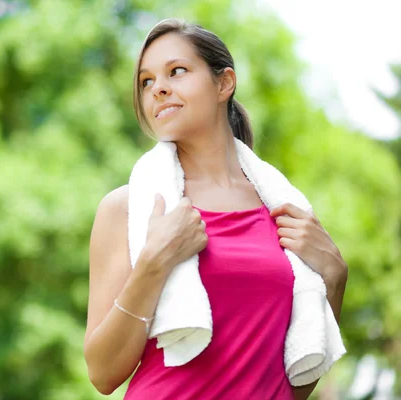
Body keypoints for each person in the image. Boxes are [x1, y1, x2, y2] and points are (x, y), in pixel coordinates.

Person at [83, 18, 348, 400]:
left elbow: (292, 383)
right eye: (146, 81)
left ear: (224, 83)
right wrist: (153, 263)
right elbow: (102, 373)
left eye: (176, 71)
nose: (158, 88)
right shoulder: (127, 210)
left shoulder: (285, 213)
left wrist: (335, 281)